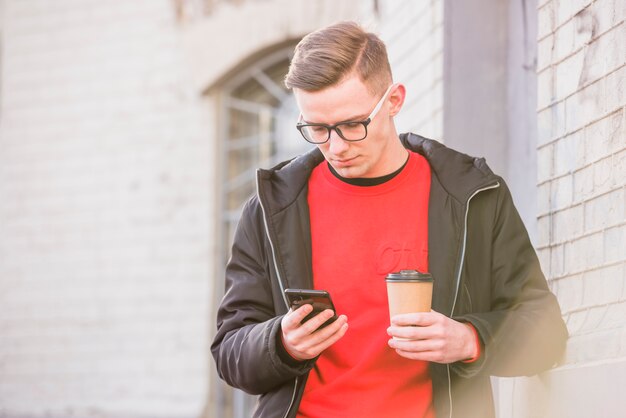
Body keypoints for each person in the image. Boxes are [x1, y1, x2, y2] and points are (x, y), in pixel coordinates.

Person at [211, 21, 568, 418]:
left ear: (394, 99)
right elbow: (229, 351)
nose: (336, 146)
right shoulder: (271, 207)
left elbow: (546, 331)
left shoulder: (473, 196)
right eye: (317, 129)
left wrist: (470, 339)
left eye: (352, 125)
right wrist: (279, 343)